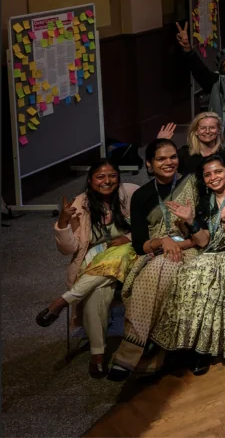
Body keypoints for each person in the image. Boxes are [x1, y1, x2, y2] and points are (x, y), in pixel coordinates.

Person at [151, 153, 225, 374]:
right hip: (211, 252)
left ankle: (204, 349)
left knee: (206, 273)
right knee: (185, 275)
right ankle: (180, 344)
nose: (213, 177)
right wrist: (190, 220)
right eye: (207, 175)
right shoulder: (206, 201)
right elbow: (203, 241)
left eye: (218, 171)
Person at [109, 139, 200, 379]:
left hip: (190, 247)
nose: (168, 162)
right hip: (155, 251)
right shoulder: (141, 195)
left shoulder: (192, 184)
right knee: (155, 271)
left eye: (172, 157)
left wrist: (178, 242)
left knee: (162, 270)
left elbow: (203, 233)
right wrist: (162, 242)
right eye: (161, 159)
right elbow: (140, 244)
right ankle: (152, 351)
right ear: (149, 165)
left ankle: (130, 352)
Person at [39, 160, 138, 378]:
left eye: (112, 175)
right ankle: (98, 354)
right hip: (93, 257)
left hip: (129, 254)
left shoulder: (130, 193)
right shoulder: (80, 203)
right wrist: (63, 223)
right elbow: (69, 249)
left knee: (120, 253)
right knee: (96, 291)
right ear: (91, 180)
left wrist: (128, 237)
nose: (107, 181)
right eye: (100, 177)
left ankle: (62, 301)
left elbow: (149, 228)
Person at [174, 112, 225, 180]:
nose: (207, 131)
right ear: (196, 131)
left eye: (212, 127)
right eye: (203, 128)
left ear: (218, 130)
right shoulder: (183, 154)